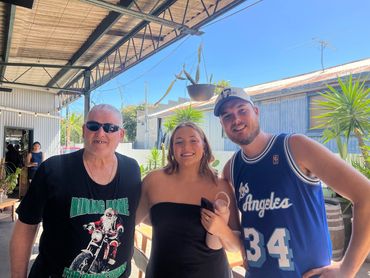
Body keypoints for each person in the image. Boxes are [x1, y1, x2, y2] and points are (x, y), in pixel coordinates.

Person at [213, 87, 370, 277]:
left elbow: (365, 195)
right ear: (222, 124)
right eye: (227, 116)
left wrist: (347, 269)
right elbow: (236, 237)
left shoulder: (295, 147)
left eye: (241, 110)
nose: (236, 120)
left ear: (256, 111)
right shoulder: (232, 169)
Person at [10, 104, 141, 277]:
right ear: (84, 130)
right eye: (93, 126)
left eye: (110, 128)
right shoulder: (53, 169)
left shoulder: (132, 169)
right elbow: (26, 227)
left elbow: (135, 215)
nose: (101, 133)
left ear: (121, 134)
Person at [136, 122, 242, 278]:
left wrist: (221, 229)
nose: (186, 147)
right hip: (161, 272)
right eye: (179, 142)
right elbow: (132, 221)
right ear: (171, 148)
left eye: (193, 140)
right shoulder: (153, 181)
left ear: (204, 145)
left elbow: (235, 246)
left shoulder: (221, 186)